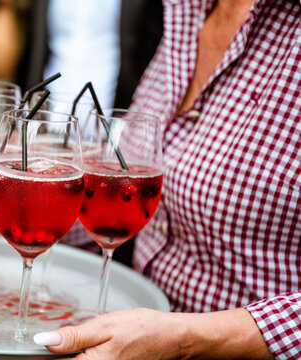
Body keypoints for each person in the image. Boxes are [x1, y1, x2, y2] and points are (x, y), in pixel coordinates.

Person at [33, 0, 300, 358]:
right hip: (131, 327)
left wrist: (185, 339)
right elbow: (128, 197)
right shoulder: (188, 10)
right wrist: (25, 221)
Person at [16, 0, 164, 263]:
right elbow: (33, 49)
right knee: (44, 213)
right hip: (46, 130)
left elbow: (154, 50)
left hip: (108, 138)